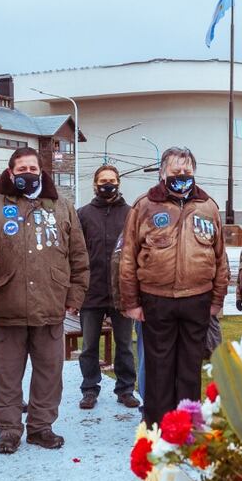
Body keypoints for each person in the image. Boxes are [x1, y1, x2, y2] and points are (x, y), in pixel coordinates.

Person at [0, 148, 89, 453]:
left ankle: (41, 427)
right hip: (7, 305)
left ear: (41, 172)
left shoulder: (62, 206)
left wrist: (75, 295)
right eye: (21, 169)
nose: (28, 173)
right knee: (5, 375)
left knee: (49, 373)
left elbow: (78, 256)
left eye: (33, 168)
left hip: (50, 304)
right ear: (11, 172)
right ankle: (9, 430)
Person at [119, 147, 228, 426]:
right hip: (156, 299)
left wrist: (217, 300)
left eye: (187, 171)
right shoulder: (145, 206)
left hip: (197, 299)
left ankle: (187, 427)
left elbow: (220, 258)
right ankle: (159, 427)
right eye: (175, 171)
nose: (182, 175)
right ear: (162, 173)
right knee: (159, 369)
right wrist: (131, 303)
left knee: (190, 369)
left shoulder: (208, 206)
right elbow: (128, 257)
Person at [77, 165, 139, 410]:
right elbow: (76, 253)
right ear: (95, 184)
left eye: (112, 180)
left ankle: (125, 389)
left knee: (125, 345)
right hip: (91, 292)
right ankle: (89, 389)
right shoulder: (83, 214)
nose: (107, 185)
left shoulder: (131, 214)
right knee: (89, 346)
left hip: (121, 292)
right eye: (103, 181)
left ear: (118, 183)